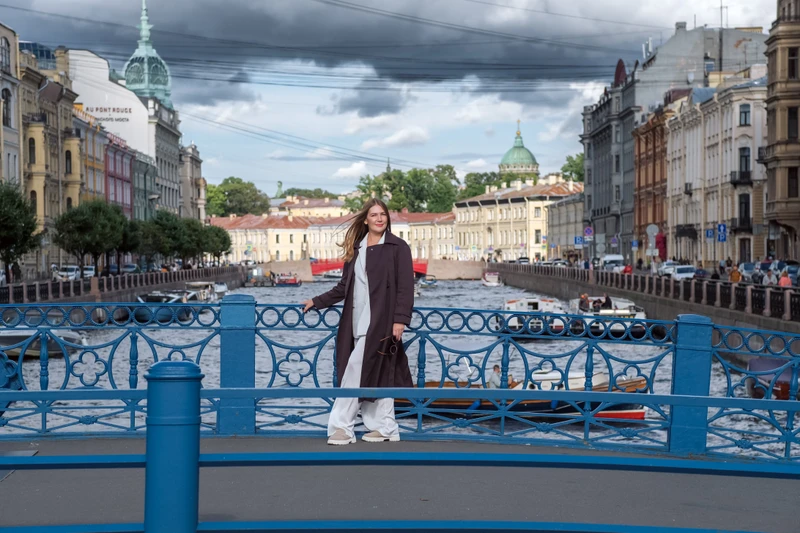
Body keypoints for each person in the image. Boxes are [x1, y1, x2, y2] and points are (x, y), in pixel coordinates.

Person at [303, 198, 414, 446]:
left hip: (381, 323)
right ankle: (386, 428)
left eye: (383, 214)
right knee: (379, 373)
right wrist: (317, 301)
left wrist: (400, 320)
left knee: (354, 371)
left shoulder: (398, 247)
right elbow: (344, 287)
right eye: (374, 215)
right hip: (355, 322)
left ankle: (342, 427)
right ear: (365, 220)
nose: (379, 219)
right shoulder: (357, 248)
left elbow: (406, 287)